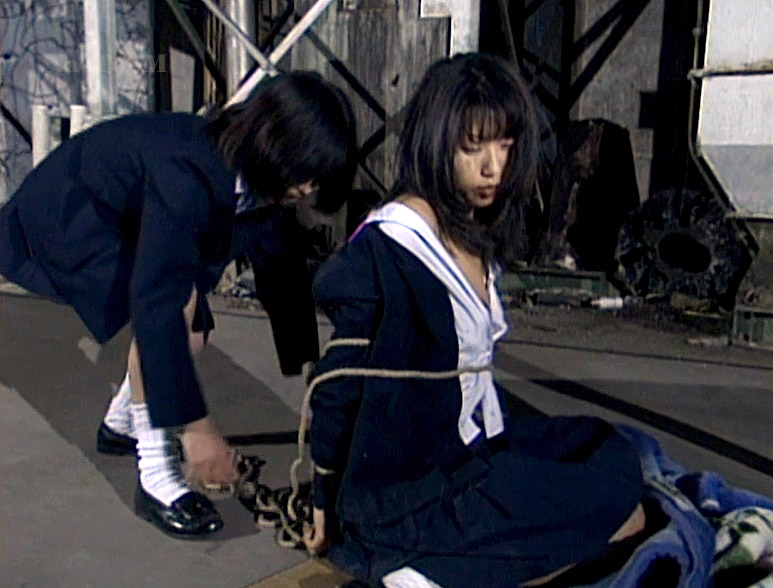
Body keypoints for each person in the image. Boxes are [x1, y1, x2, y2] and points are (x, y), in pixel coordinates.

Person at [301, 53, 646, 587]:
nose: (494, 168)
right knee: (618, 512)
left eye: (505, 145)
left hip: (477, 447)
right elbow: (337, 385)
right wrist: (324, 499)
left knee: (606, 450)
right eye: (473, 147)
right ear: (436, 143)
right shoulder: (388, 250)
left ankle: (455, 565)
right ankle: (427, 568)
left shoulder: (469, 226)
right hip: (418, 488)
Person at [0, 71, 357, 538]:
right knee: (173, 309)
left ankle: (123, 422)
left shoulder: (262, 182)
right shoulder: (188, 172)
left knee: (194, 331)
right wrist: (196, 430)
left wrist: (312, 374)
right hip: (70, 214)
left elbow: (282, 273)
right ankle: (157, 475)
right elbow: (157, 305)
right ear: (276, 144)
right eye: (307, 174)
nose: (309, 189)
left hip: (122, 217)